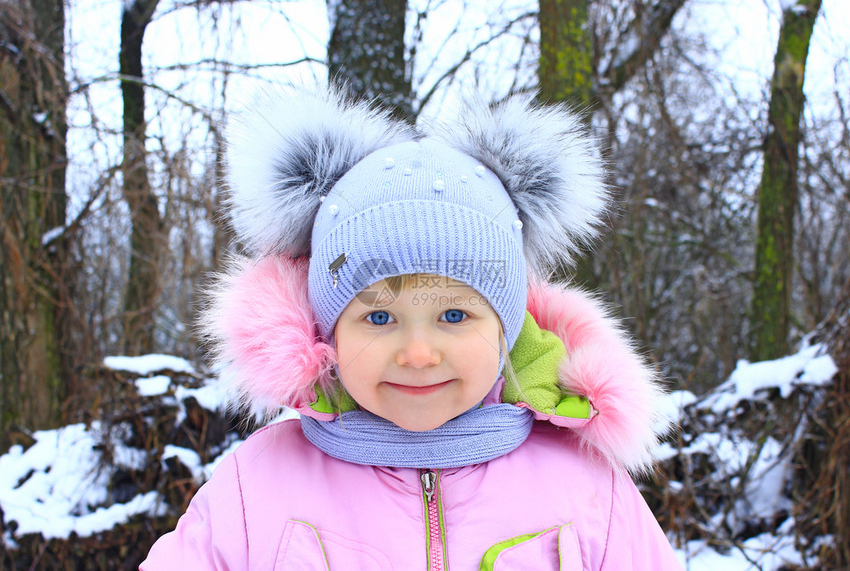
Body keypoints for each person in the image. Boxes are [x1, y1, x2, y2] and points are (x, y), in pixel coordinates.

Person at [141, 86, 682, 570]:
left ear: (506, 329)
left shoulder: (586, 487)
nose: (418, 353)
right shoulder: (257, 487)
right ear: (328, 334)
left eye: (454, 316)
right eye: (379, 317)